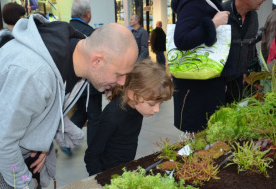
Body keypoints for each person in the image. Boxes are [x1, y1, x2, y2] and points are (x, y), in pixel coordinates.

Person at [0, 14, 138, 189]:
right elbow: (2, 143)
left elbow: (37, 109)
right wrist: (24, 186)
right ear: (97, 61)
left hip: (20, 161)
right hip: (4, 168)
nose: (122, 83)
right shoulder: (34, 75)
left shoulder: (77, 55)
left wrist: (42, 137)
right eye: (119, 74)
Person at [84, 59, 174, 176]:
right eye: (152, 104)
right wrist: (100, 178)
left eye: (160, 104)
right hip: (108, 173)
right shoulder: (112, 117)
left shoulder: (136, 108)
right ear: (132, 94)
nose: (157, 109)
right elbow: (91, 155)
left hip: (125, 168)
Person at [171, 0, 233, 133]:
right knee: (197, 140)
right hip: (197, 90)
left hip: (203, 84)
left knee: (205, 140)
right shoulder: (193, 2)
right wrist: (214, 23)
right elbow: (181, 38)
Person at [61, 0, 103, 156]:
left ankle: (66, 138)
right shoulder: (90, 32)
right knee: (94, 117)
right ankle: (93, 152)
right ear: (87, 13)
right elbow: (99, 62)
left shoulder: (64, 30)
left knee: (81, 112)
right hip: (90, 85)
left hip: (71, 83)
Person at [223, 0, 266, 103]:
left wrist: (246, 70)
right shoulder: (221, 12)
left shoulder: (253, 16)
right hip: (219, 83)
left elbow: (250, 45)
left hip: (238, 82)